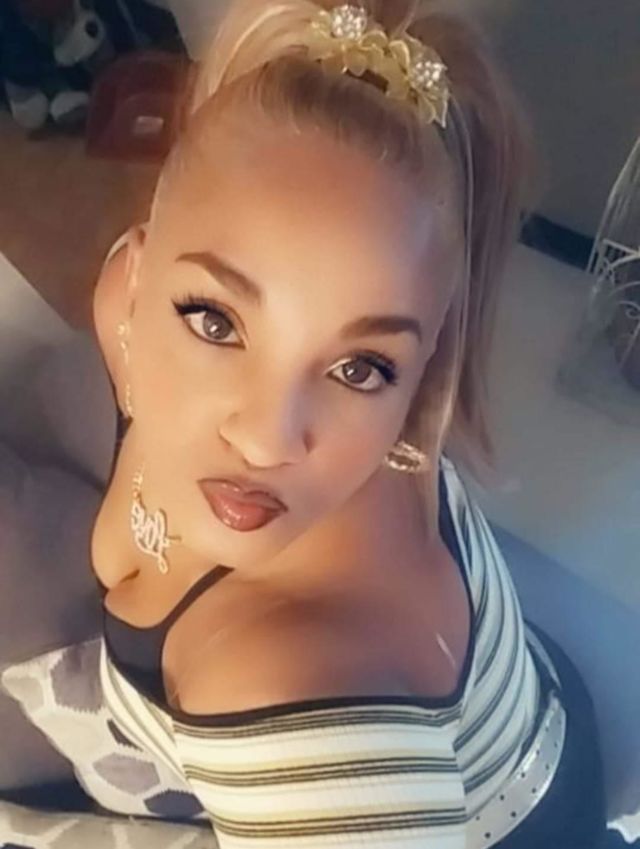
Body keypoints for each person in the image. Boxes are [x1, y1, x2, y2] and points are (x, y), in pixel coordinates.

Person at [89, 0, 608, 846]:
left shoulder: (293, 694)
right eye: (215, 321)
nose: (267, 439)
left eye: (360, 368)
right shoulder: (122, 305)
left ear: (421, 374)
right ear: (138, 271)